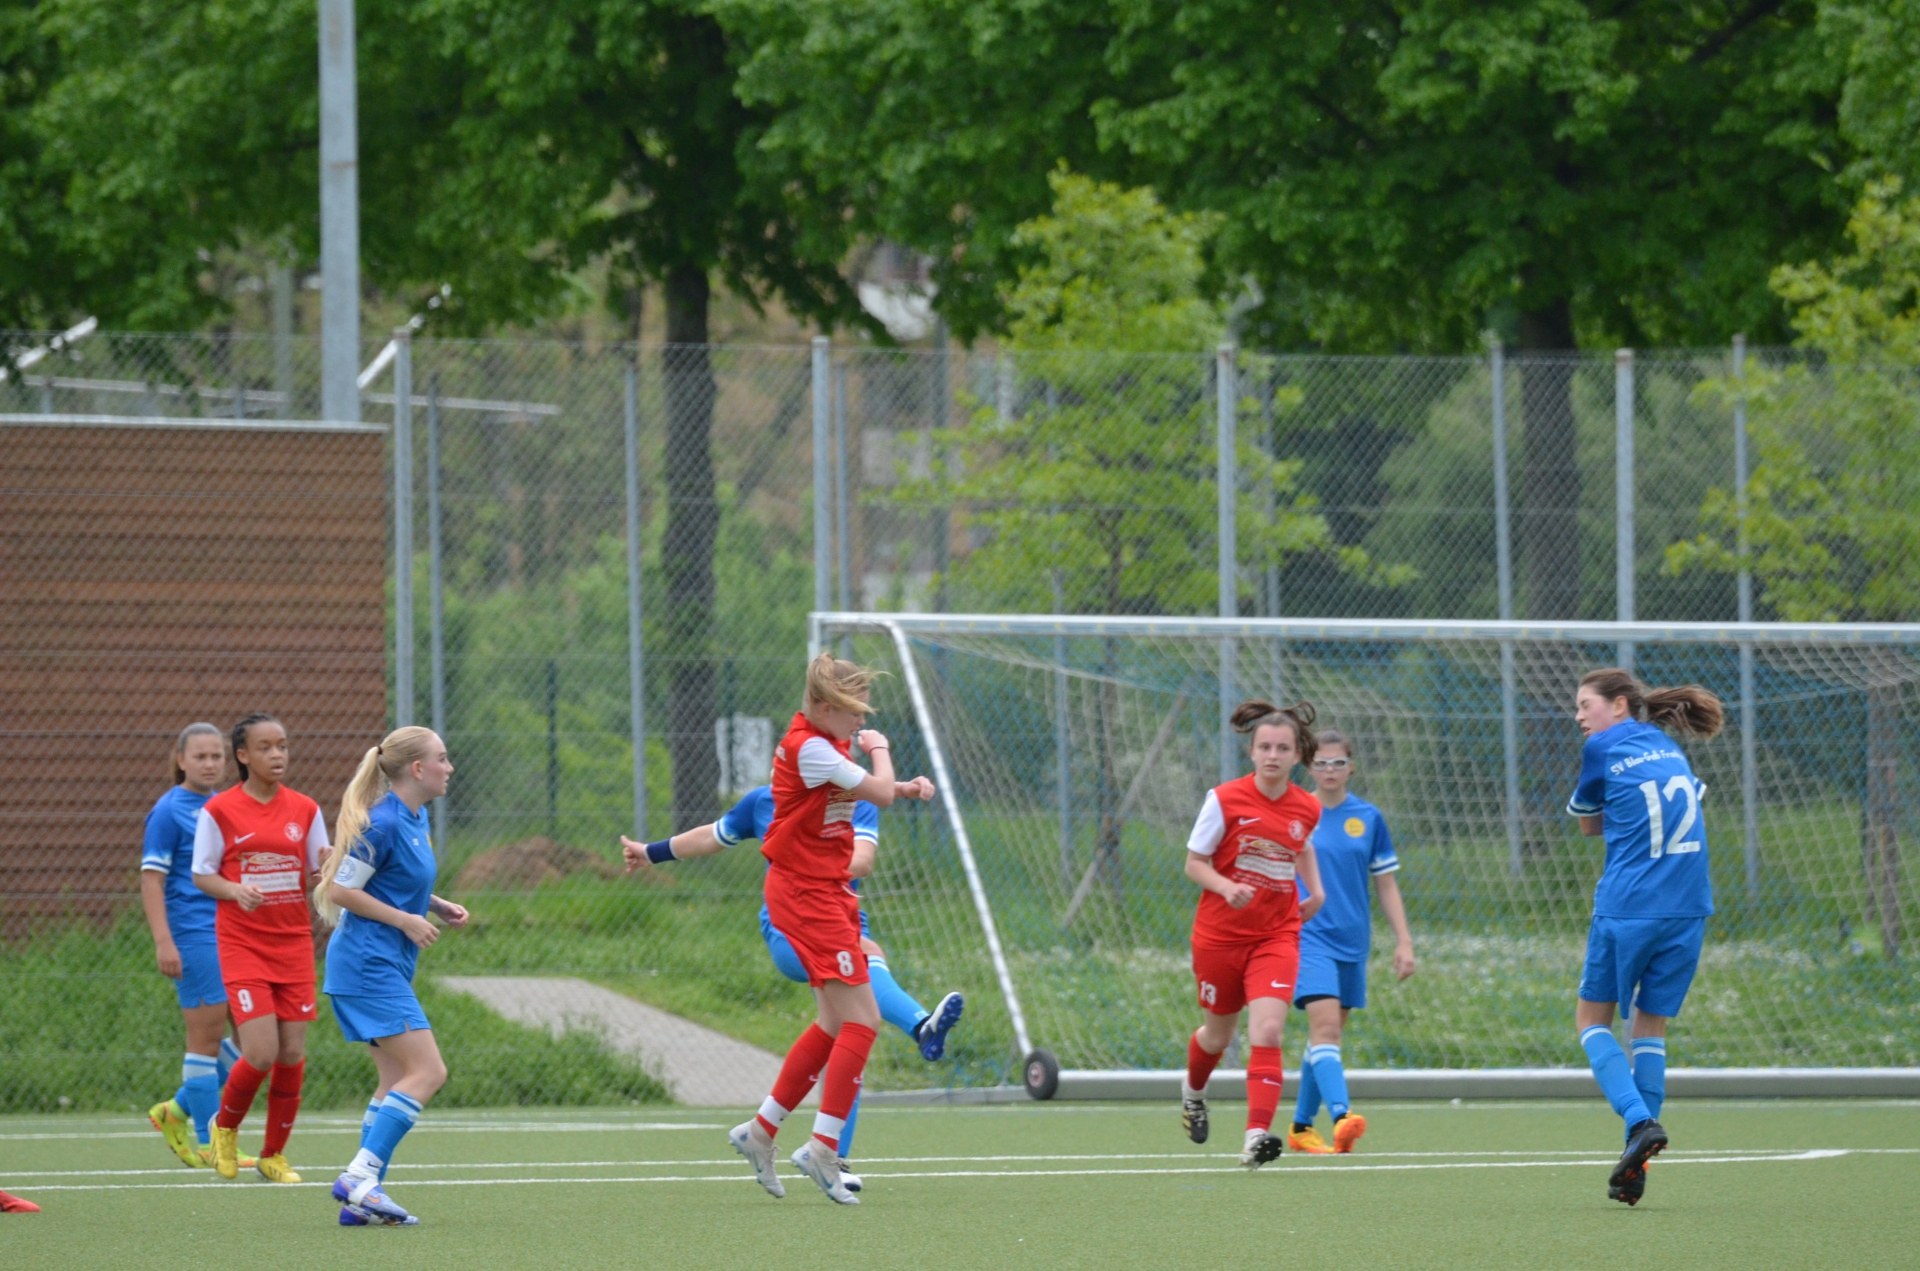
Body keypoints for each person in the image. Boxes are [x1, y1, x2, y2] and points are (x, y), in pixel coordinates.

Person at [620, 777, 964, 1191]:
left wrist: (894, 784)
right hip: (794, 926)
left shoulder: (856, 798)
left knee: (842, 1031)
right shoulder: (767, 800)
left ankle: (772, 1135)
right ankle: (919, 1026)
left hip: (840, 923)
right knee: (863, 981)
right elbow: (712, 836)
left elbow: (862, 856)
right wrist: (651, 852)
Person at [728, 653, 899, 1205]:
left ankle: (761, 1132)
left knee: (833, 1022)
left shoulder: (823, 744)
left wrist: (906, 787)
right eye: (854, 712)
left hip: (823, 891)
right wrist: (882, 751)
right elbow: (879, 793)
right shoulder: (813, 748)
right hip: (808, 897)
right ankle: (823, 1147)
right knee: (864, 1020)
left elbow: (868, 796)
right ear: (825, 708)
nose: (861, 721)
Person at [1566, 668, 1723, 1206]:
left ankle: (1639, 1122)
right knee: (1649, 1027)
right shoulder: (1666, 746)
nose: (1579, 717)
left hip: (1631, 905)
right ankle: (1636, 1169)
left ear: (1619, 705)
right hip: (1689, 907)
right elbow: (1685, 805)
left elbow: (1588, 824)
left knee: (1591, 1021)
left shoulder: (1603, 747)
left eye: (1586, 704)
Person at [316, 726, 468, 1228]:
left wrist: (435, 904)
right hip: (367, 966)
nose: (449, 767)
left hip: (382, 965)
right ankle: (360, 1177)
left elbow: (390, 880)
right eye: (442, 758)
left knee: (394, 1078)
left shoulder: (414, 817)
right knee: (429, 1072)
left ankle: (361, 1201)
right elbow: (342, 892)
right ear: (417, 769)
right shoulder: (381, 822)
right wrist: (405, 920)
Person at [1180, 699, 1326, 1168]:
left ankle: (1255, 1138)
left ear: (1297, 754)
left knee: (1268, 1029)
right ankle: (1193, 1094)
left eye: (1282, 748)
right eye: (1265, 747)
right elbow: (1194, 864)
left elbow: (1300, 844)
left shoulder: (1307, 806)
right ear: (1252, 752)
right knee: (1218, 1037)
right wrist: (1226, 887)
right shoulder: (1224, 800)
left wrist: (1317, 891)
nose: (1272, 755)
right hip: (1219, 937)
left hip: (1276, 934)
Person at [190, 713, 327, 1184]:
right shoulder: (220, 810)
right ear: (243, 755)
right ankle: (224, 1130)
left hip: (293, 943)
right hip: (243, 945)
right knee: (262, 1051)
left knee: (292, 1052)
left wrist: (329, 869)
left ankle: (273, 1156)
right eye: (265, 748)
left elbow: (317, 874)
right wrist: (234, 890)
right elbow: (202, 874)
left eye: (282, 746)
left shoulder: (305, 809)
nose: (277, 755)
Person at [1286, 727, 1415, 1155]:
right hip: (1308, 936)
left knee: (1324, 1037)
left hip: (1353, 942)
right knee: (1325, 1029)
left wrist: (1404, 942)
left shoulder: (1368, 818)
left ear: (1351, 767)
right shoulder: (1296, 812)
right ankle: (1343, 1116)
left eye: (1338, 763)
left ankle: (1301, 1127)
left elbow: (1386, 885)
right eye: (1321, 763)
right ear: (1309, 767)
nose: (1329, 770)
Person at [138, 723, 249, 1169]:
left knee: (256, 1037)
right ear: (181, 760)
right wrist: (164, 941)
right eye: (200, 756)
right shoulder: (169, 811)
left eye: (216, 756)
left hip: (232, 933)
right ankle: (210, 1141)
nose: (209, 763)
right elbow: (152, 880)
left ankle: (176, 1111)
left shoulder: (224, 806)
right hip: (194, 936)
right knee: (205, 1039)